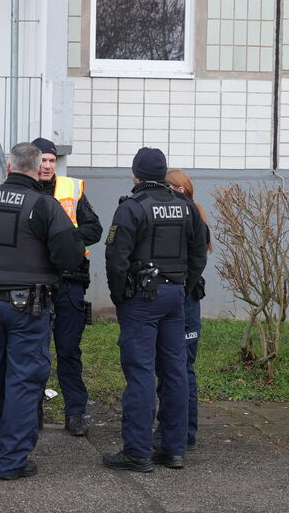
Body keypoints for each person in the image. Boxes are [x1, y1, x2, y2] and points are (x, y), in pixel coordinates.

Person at [0, 142, 85, 480]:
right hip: (29, 307)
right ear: (37, 167)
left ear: (9, 166)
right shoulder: (44, 204)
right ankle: (12, 461)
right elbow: (69, 256)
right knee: (24, 382)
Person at [102, 148, 208, 472]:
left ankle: (137, 451)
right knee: (175, 371)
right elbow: (199, 254)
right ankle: (173, 449)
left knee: (140, 373)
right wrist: (183, 286)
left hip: (142, 300)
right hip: (175, 298)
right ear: (163, 175)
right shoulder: (187, 208)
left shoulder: (132, 208)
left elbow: (116, 258)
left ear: (135, 175)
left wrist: (120, 297)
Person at [31, 137, 102, 437]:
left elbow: (94, 229)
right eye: (42, 160)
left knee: (69, 350)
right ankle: (33, 410)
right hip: (34, 283)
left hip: (69, 283)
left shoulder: (72, 189)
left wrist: (63, 238)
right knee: (34, 352)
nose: (47, 166)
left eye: (51, 160)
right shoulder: (24, 189)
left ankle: (75, 412)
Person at [155, 169, 212, 452]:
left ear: (183, 189)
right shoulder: (183, 212)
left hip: (185, 299)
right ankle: (171, 427)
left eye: (175, 188)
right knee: (168, 368)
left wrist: (183, 289)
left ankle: (184, 432)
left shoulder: (193, 214)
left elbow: (197, 260)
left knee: (181, 368)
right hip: (178, 297)